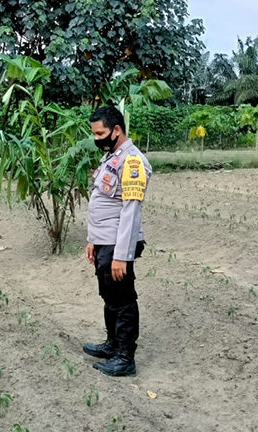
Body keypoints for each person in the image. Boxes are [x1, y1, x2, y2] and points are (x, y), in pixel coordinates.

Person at [82, 105, 151, 377]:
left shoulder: (132, 161)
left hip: (117, 244)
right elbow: (102, 202)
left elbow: (130, 210)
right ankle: (112, 344)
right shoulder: (112, 157)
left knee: (122, 300)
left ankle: (125, 357)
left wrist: (122, 255)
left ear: (117, 130)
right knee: (109, 296)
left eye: (100, 133)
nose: (96, 139)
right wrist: (92, 240)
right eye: (94, 134)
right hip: (104, 241)